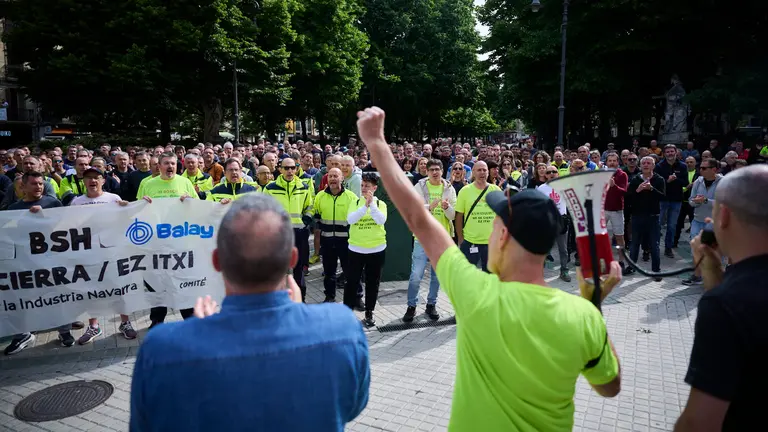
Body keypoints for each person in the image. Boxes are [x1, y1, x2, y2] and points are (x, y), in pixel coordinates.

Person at [357, 106, 622, 431]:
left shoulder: (475, 292)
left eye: (496, 224)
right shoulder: (584, 316)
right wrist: (594, 303)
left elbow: (417, 219)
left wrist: (376, 143)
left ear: (505, 235)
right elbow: (609, 386)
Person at [130, 194, 370, 432]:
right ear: (293, 258)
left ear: (216, 261)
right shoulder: (342, 328)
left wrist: (196, 336)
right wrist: (301, 319)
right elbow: (352, 406)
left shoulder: (161, 348)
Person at [675, 165, 768, 431]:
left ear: (723, 216)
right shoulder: (731, 296)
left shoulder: (727, 304)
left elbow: (697, 423)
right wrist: (711, 270)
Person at [4, 172, 72, 354]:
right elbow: (8, 234)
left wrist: (43, 218)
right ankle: (22, 335)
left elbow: (65, 229)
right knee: (22, 298)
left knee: (57, 296)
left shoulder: (52, 203)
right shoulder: (14, 208)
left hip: (52, 260)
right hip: (26, 263)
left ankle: (64, 331)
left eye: (41, 183)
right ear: (23, 187)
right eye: (34, 184)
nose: (38, 187)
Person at [70, 167, 137, 343]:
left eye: (96, 178)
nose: (92, 181)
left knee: (120, 287)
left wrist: (127, 209)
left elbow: (127, 222)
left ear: (103, 181)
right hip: (88, 253)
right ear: (83, 181)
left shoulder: (113, 199)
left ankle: (125, 322)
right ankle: (94, 326)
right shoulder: (77, 202)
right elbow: (69, 226)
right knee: (92, 289)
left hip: (113, 251)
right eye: (88, 178)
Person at [138, 152, 199, 327]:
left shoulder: (185, 182)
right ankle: (157, 320)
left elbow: (197, 210)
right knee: (157, 282)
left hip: (180, 242)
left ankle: (190, 318)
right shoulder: (147, 184)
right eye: (166, 163)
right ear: (159, 166)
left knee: (182, 281)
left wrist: (190, 202)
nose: (170, 167)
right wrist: (142, 203)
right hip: (156, 243)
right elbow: (137, 212)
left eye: (173, 163)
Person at [404, 159, 456, 322]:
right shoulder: (419, 187)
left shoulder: (449, 188)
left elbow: (453, 216)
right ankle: (411, 306)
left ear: (442, 171)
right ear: (426, 171)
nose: (435, 172)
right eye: (432, 169)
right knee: (416, 275)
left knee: (437, 277)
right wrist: (430, 207)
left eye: (438, 169)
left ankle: (431, 305)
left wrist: (447, 208)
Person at [262, 158, 314, 301]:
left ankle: (300, 299)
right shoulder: (271, 188)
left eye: (293, 167)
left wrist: (306, 220)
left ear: (297, 169)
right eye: (286, 168)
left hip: (299, 233)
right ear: (280, 169)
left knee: (299, 268)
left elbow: (310, 206)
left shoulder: (303, 186)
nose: (290, 171)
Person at [345, 173, 387, 326]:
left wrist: (372, 205)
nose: (363, 188)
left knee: (372, 283)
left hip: (376, 250)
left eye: (367, 186)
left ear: (374, 188)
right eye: (362, 185)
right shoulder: (355, 202)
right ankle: (347, 313)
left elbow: (381, 220)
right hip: (356, 250)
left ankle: (369, 312)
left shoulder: (381, 204)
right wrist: (364, 206)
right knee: (351, 282)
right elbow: (350, 219)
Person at [313, 168, 358, 303]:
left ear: (342, 178)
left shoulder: (351, 197)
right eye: (330, 176)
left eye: (335, 176)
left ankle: (356, 298)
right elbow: (317, 217)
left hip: (346, 242)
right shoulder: (320, 196)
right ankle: (330, 297)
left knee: (351, 273)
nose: (332, 178)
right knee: (329, 273)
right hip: (327, 241)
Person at [681, 158, 722, 286]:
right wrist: (696, 201)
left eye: (704, 168)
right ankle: (697, 275)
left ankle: (715, 277)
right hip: (697, 220)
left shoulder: (723, 182)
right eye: (701, 168)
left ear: (714, 170)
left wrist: (705, 201)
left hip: (714, 222)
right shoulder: (698, 182)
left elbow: (724, 203)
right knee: (696, 249)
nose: (701, 170)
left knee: (714, 251)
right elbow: (691, 200)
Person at [454, 161, 501, 272]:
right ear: (473, 173)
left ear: (488, 173)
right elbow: (459, 216)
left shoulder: (496, 190)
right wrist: (460, 239)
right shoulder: (464, 191)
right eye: (479, 170)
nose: (482, 172)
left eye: (484, 170)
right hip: (470, 241)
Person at [626, 156, 666, 280]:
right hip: (637, 216)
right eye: (643, 163)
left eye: (649, 163)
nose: (646, 165)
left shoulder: (659, 179)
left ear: (653, 166)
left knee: (654, 244)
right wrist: (637, 190)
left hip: (653, 217)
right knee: (634, 244)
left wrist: (651, 189)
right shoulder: (635, 179)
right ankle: (632, 267)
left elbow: (663, 197)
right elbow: (628, 198)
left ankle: (656, 270)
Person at [536, 166, 571, 282]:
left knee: (563, 249)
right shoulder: (541, 188)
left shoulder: (564, 186)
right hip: (547, 221)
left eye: (554, 171)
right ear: (545, 175)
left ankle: (564, 270)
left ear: (558, 173)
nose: (551, 174)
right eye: (548, 172)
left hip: (561, 221)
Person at [655, 144, 687, 258]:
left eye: (672, 151)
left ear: (676, 152)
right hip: (662, 199)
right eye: (667, 152)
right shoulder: (659, 166)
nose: (670, 153)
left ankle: (668, 248)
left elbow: (685, 182)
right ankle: (655, 247)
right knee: (658, 224)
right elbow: (657, 183)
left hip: (676, 199)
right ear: (664, 153)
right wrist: (667, 181)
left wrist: (675, 179)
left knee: (672, 226)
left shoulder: (682, 166)